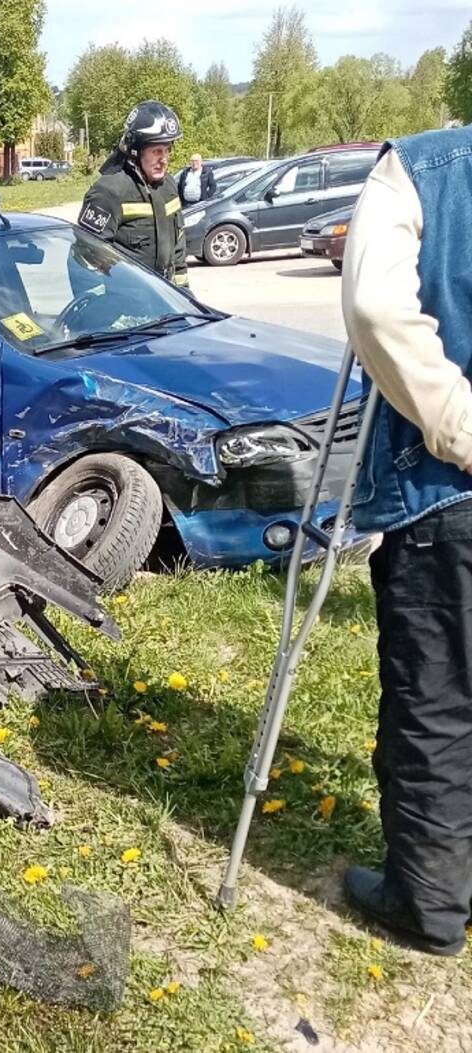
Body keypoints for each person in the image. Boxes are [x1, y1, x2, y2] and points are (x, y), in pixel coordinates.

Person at [340, 123, 472, 956]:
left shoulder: (424, 167)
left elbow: (373, 306)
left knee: (439, 697)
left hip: (443, 492)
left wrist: (456, 422)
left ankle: (427, 902)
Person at [77, 101, 189, 288]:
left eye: (167, 150)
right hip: (125, 305)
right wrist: (102, 311)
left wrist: (184, 295)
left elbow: (178, 250)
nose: (164, 160)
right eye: (156, 151)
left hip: (164, 300)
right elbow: (85, 263)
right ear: (136, 151)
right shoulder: (108, 192)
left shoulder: (168, 186)